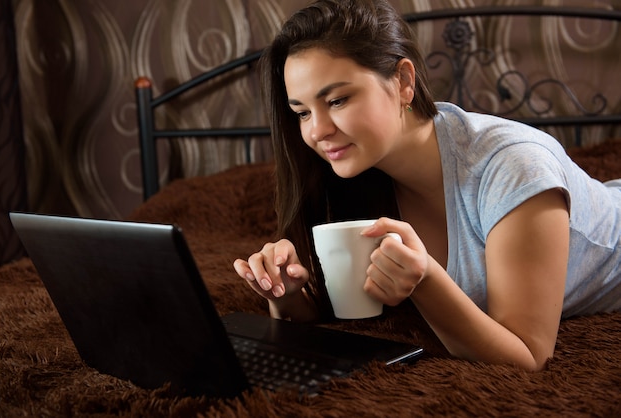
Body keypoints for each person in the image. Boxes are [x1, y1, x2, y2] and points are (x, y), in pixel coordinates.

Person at [233, 0, 621, 371]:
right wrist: (285, 294)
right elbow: (333, 309)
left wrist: (427, 279)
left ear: (403, 81)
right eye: (301, 112)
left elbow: (529, 356)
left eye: (336, 100)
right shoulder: (354, 172)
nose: (317, 131)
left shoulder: (513, 167)